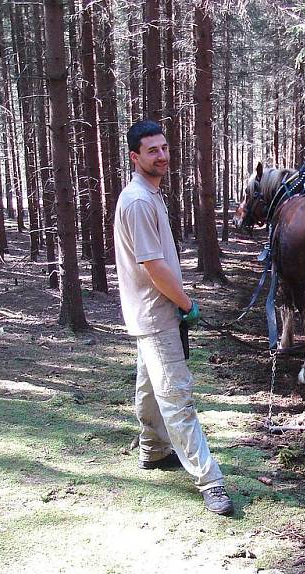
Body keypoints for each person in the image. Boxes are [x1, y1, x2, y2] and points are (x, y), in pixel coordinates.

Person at [113, 120, 233, 516]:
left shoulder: (150, 194)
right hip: (156, 314)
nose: (162, 155)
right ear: (135, 157)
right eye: (152, 150)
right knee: (177, 399)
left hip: (151, 314)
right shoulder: (139, 201)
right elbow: (153, 266)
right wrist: (184, 303)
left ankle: (153, 450)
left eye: (164, 148)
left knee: (150, 389)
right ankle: (210, 480)